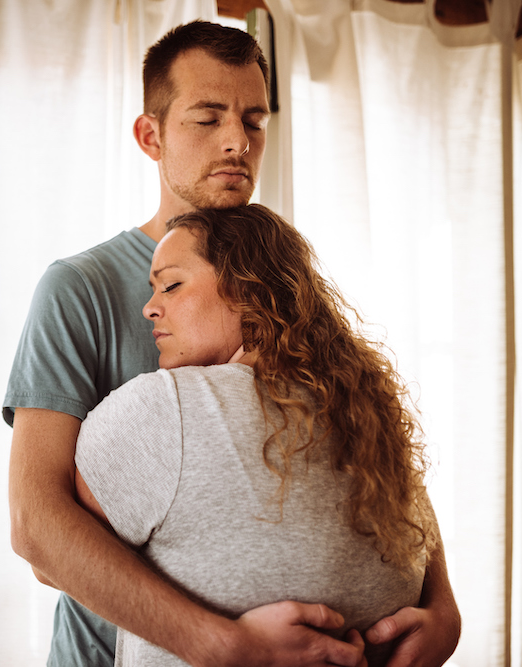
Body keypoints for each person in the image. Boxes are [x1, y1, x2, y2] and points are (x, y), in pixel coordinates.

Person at [5, 19, 461, 667]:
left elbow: (379, 454)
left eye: (254, 119)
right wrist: (224, 644)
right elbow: (38, 527)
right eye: (207, 117)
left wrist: (443, 606)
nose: (236, 142)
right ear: (150, 135)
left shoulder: (288, 287)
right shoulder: (80, 288)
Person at [75, 203, 443, 667]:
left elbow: (50, 548)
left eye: (171, 284)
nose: (150, 307)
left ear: (247, 289)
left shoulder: (166, 408)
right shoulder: (369, 417)